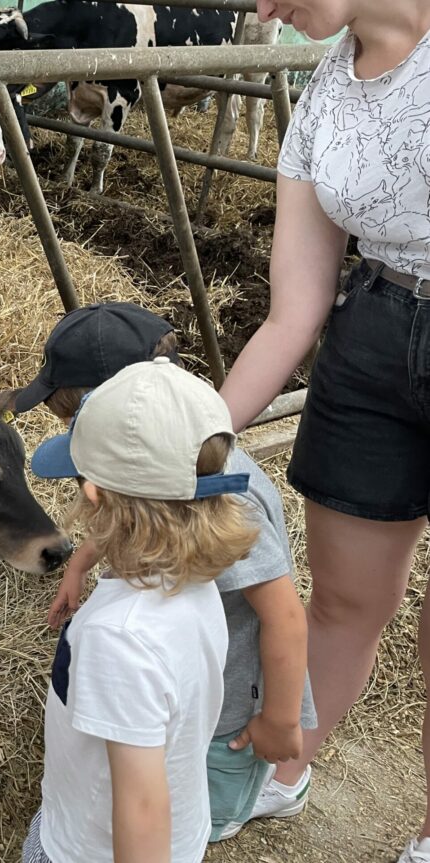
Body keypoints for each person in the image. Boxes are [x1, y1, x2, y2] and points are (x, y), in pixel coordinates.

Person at [219, 1, 430, 859]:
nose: (263, 10)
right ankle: (284, 766)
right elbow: (291, 311)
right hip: (373, 333)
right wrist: (190, 442)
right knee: (344, 597)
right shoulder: (327, 86)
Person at [17, 302, 315, 842]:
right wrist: (80, 565)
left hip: (229, 712)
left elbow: (287, 618)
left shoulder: (232, 500)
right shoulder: (196, 468)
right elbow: (136, 508)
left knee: (203, 801)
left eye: (74, 422)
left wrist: (280, 721)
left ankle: (254, 802)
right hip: (194, 682)